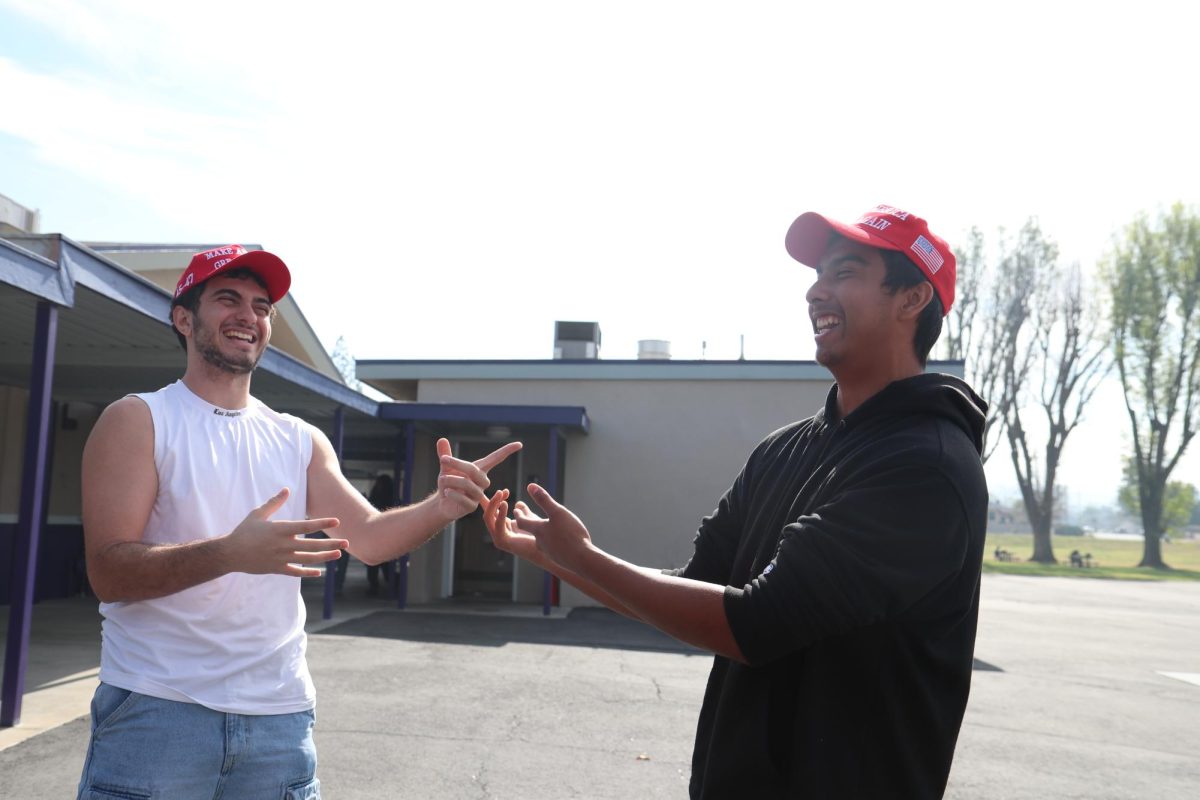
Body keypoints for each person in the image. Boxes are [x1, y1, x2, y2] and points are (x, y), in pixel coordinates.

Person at [484, 205, 988, 798]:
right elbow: (696, 587)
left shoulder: (926, 467)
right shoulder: (782, 452)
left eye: (845, 272)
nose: (815, 290)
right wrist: (561, 556)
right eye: (817, 273)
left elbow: (755, 624)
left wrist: (585, 559)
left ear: (911, 299)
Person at [78, 244, 520, 799]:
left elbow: (372, 541)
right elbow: (110, 574)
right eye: (228, 299)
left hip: (278, 721)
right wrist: (229, 554)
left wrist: (442, 506)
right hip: (158, 710)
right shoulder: (139, 419)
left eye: (262, 306)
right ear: (184, 318)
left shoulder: (298, 438)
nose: (250, 316)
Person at [365, 473, 396, 597]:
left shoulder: (387, 499)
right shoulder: (382, 498)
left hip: (382, 536)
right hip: (377, 536)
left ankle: (387, 587)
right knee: (375, 565)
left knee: (384, 565)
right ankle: (375, 587)